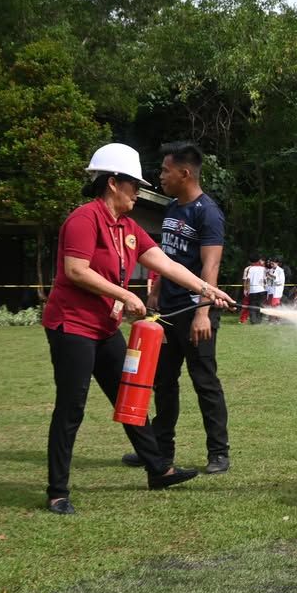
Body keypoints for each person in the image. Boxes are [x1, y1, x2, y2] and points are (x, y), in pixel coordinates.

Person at [42, 142, 234, 515]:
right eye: (134, 185)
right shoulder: (84, 219)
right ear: (113, 183)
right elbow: (76, 271)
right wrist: (125, 295)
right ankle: (57, 491)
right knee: (71, 407)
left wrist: (208, 292)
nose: (139, 193)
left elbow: (167, 265)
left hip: (104, 328)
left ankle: (159, 469)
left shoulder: (128, 228)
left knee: (130, 398)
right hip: (72, 326)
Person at [126, 141, 233, 475]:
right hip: (168, 312)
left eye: (165, 170)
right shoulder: (172, 207)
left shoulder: (208, 212)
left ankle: (218, 452)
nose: (161, 176)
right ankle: (161, 449)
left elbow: (210, 266)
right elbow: (167, 256)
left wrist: (203, 312)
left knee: (204, 381)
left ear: (185, 173)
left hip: (196, 311)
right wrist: (156, 291)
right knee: (163, 381)